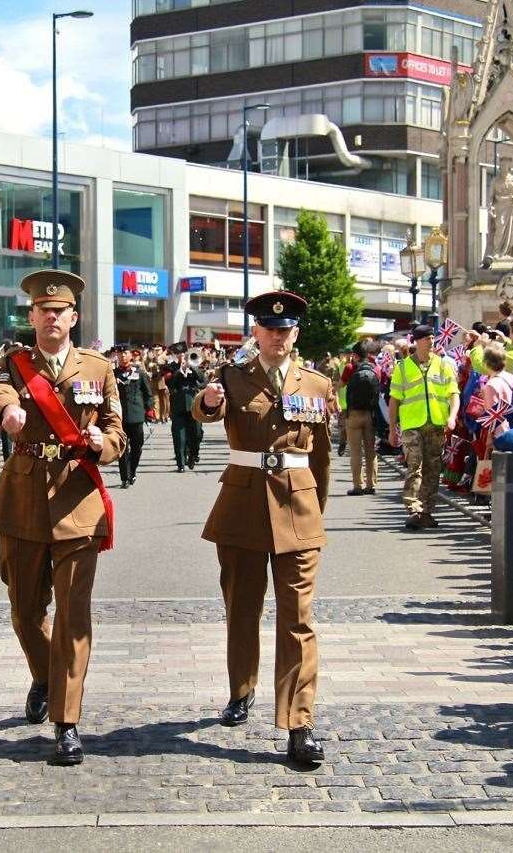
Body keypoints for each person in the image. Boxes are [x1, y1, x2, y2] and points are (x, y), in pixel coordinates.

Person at [0, 270, 125, 766]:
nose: (50, 319)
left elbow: (115, 431)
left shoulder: (97, 368)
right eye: (43, 312)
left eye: (59, 312)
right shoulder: (15, 363)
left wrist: (104, 444)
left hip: (77, 500)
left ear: (73, 318)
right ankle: (44, 673)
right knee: (24, 609)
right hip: (22, 499)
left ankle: (67, 721)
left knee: (73, 613)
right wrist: (8, 412)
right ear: (33, 317)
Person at [193, 290, 333, 769]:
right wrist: (207, 401)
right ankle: (241, 688)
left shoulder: (315, 383)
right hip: (243, 507)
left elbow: (322, 457)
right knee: (242, 609)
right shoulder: (231, 378)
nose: (279, 336)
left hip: (297, 507)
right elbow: (205, 410)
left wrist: (316, 510)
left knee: (297, 618)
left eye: (287, 329)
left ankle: (299, 723)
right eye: (270, 329)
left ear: (296, 333)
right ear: (255, 331)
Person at [389, 325, 461, 531]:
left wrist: (452, 417)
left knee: (433, 469)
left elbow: (453, 394)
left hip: (436, 425)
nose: (431, 342)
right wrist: (392, 428)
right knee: (415, 464)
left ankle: (426, 511)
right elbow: (394, 401)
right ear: (417, 342)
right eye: (427, 338)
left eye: (432, 338)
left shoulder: (443, 365)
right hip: (412, 425)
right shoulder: (402, 367)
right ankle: (414, 508)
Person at [343, 339, 380, 495]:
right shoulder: (376, 369)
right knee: (371, 451)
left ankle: (358, 485)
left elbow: (341, 385)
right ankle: (371, 484)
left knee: (356, 452)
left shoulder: (350, 368)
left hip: (353, 414)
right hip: (370, 414)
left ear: (356, 355)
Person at [114, 349, 153, 488]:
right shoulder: (113, 374)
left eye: (125, 353)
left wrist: (149, 411)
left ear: (131, 356)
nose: (122, 355)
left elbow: (148, 392)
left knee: (137, 447)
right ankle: (125, 477)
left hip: (136, 415)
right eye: (120, 353)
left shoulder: (140, 372)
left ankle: (132, 470)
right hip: (120, 416)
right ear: (117, 356)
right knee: (122, 448)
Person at [165, 345, 206, 472]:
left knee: (197, 434)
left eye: (184, 354)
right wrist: (179, 371)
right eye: (180, 354)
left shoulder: (195, 366)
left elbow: (203, 381)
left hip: (194, 407)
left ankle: (193, 455)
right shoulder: (171, 368)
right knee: (179, 437)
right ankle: (180, 464)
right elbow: (169, 383)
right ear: (176, 355)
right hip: (178, 407)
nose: (182, 356)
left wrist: (192, 367)